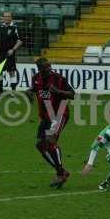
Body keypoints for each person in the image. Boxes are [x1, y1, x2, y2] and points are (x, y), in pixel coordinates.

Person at [26, 57, 75, 188]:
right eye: (46, 68)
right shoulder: (36, 78)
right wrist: (29, 92)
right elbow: (34, 88)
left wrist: (58, 92)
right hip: (46, 116)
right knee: (40, 145)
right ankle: (61, 171)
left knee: (50, 140)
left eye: (49, 67)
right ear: (40, 69)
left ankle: (60, 173)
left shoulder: (59, 79)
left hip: (59, 113)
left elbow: (72, 94)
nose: (49, 70)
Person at [0, 11, 23, 97]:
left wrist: (13, 50)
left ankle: (13, 92)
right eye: (5, 16)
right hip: (0, 53)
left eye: (8, 16)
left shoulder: (15, 27)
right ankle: (0, 90)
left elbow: (20, 41)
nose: (6, 18)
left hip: (9, 53)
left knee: (11, 72)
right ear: (3, 17)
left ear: (11, 18)